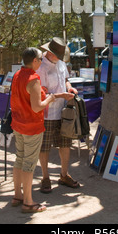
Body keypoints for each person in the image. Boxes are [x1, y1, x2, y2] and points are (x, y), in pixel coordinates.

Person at [10, 47, 56, 213]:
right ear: (35, 61)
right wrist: (50, 98)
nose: (41, 62)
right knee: (29, 163)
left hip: (18, 124)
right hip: (31, 126)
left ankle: (17, 195)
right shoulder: (33, 78)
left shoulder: (17, 75)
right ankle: (28, 202)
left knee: (19, 159)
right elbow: (37, 107)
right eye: (40, 60)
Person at [37, 37, 80, 193]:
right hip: (47, 112)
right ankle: (45, 177)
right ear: (49, 52)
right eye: (57, 55)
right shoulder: (40, 67)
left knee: (65, 143)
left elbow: (66, 79)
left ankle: (64, 174)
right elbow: (40, 93)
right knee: (45, 145)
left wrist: (69, 88)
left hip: (63, 111)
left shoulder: (61, 63)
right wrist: (61, 95)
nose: (59, 59)